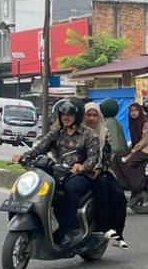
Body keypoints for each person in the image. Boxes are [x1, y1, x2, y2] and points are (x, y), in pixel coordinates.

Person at [19, 98, 99, 244]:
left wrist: (83, 166)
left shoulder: (89, 134)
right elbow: (39, 148)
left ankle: (70, 229)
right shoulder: (56, 132)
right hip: (59, 172)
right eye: (63, 114)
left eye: (69, 114)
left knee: (70, 189)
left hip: (80, 176)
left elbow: (93, 157)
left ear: (78, 115)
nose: (66, 117)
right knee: (42, 188)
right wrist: (24, 156)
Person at [82, 102, 130, 250]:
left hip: (99, 171)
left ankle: (116, 231)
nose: (91, 118)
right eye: (88, 115)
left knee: (118, 195)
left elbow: (108, 155)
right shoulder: (77, 131)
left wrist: (99, 169)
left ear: (99, 116)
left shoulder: (105, 131)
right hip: (78, 170)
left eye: (94, 115)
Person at [117, 102, 148, 191]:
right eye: (131, 111)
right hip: (141, 149)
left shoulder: (146, 123)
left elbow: (143, 141)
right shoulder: (133, 123)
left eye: (135, 110)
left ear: (140, 111)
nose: (133, 113)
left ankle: (137, 186)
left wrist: (131, 153)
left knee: (128, 164)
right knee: (119, 158)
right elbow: (135, 141)